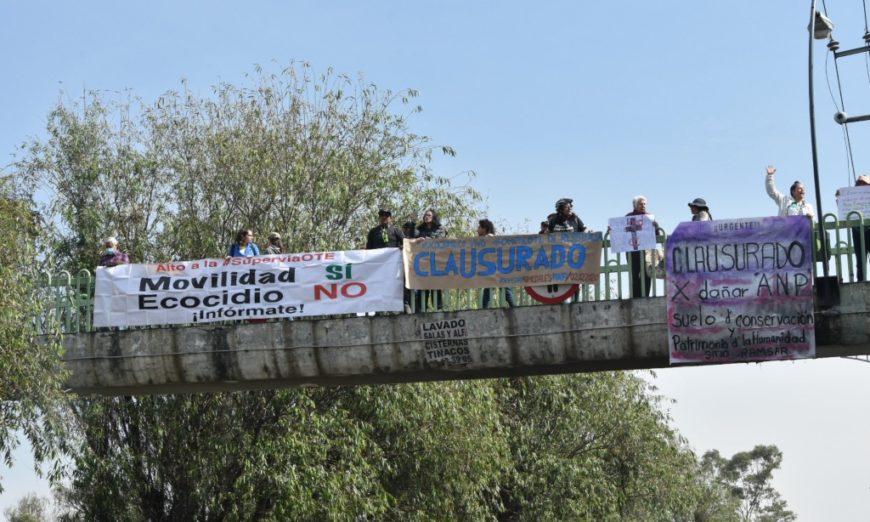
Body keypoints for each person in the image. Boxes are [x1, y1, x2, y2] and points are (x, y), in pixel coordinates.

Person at [365, 209, 410, 312]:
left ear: (390, 218)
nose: (384, 217)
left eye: (386, 215)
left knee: (398, 286)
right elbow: (368, 248)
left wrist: (400, 247)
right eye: (382, 215)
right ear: (379, 218)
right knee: (377, 286)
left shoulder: (396, 230)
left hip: (393, 266)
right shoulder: (373, 232)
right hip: (378, 267)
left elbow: (406, 243)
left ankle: (404, 307)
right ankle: (377, 311)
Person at [626, 195, 659, 298]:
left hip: (647, 251)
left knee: (647, 273)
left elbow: (657, 235)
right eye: (640, 204)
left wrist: (656, 227)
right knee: (635, 274)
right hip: (633, 251)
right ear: (635, 205)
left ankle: (645, 296)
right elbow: (622, 233)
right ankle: (636, 297)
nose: (643, 206)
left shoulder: (649, 218)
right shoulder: (628, 217)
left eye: (644, 204)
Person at [478, 219, 515, 309]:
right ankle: (514, 308)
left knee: (502, 290)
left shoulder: (489, 237)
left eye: (479, 227)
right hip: (494, 269)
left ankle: (513, 308)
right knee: (499, 290)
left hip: (496, 269)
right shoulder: (487, 238)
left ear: (485, 228)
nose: (477, 229)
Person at [415, 209, 446, 312]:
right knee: (422, 289)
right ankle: (421, 309)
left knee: (436, 287)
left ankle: (438, 310)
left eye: (428, 215)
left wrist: (425, 240)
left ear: (433, 217)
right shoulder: (419, 229)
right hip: (422, 264)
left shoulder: (440, 229)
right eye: (425, 215)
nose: (426, 216)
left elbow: (439, 241)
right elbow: (411, 238)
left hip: (436, 263)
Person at [849, 175, 870, 281]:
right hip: (857, 231)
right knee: (860, 260)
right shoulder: (852, 197)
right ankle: (861, 281)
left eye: (864, 183)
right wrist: (840, 197)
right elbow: (844, 211)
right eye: (859, 183)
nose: (862, 185)